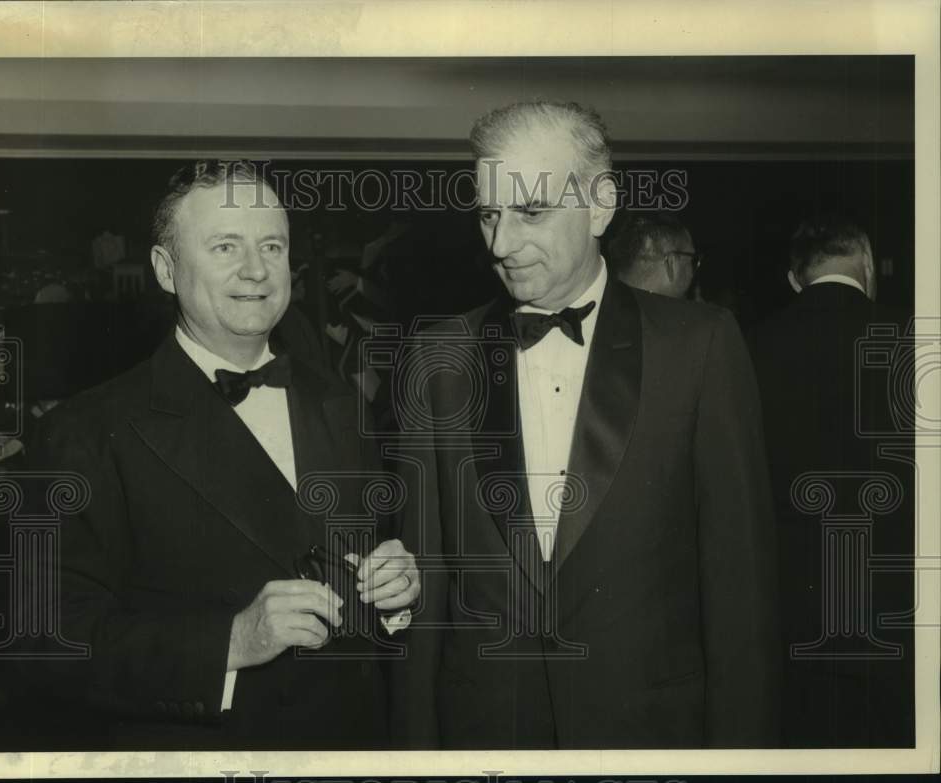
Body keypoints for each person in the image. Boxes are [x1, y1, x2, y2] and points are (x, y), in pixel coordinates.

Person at [392, 101, 779, 749]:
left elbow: (743, 600)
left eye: (530, 212)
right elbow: (425, 593)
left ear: (600, 207)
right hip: (487, 738)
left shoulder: (701, 346)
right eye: (489, 214)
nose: (500, 244)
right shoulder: (439, 357)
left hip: (651, 736)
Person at [26, 160, 420, 750]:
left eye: (271, 245)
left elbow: (371, 572)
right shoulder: (83, 431)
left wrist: (397, 595)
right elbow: (48, 643)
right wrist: (231, 642)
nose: (256, 269)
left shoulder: (343, 405)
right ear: (166, 270)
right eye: (225, 246)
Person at [749, 216, 915, 747]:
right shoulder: (915, 338)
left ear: (795, 279)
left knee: (806, 737)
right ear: (867, 263)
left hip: (791, 592)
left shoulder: (748, 344)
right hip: (898, 587)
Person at [607, 209, 701, 298]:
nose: (692, 274)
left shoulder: (602, 305)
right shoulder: (688, 314)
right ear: (671, 262)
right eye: (692, 260)